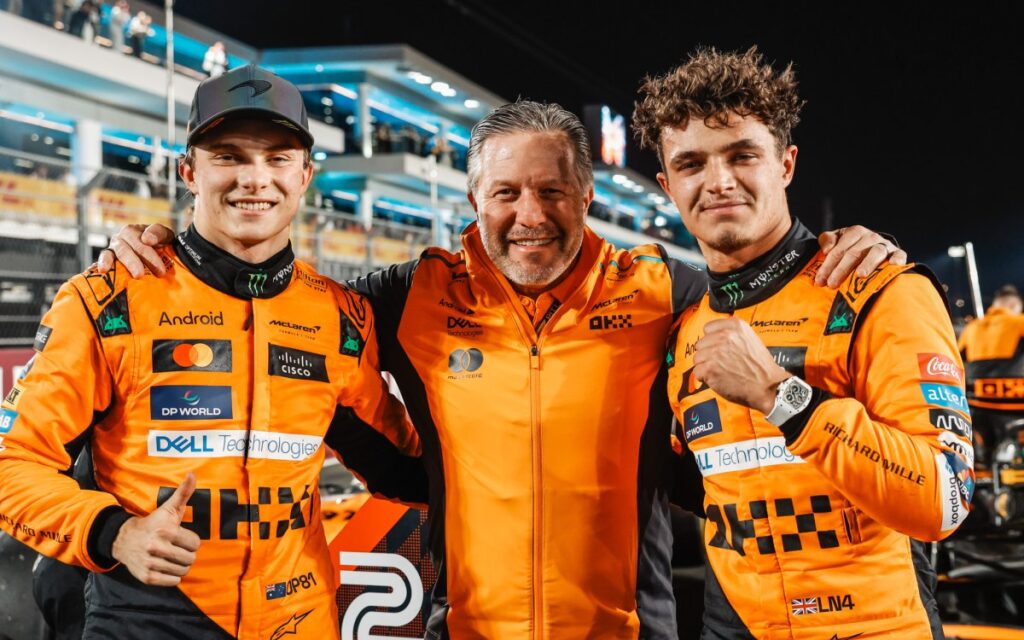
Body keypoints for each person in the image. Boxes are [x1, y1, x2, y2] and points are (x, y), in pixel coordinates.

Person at [101, 98, 901, 637]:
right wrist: (176, 253)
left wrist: (838, 250)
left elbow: (763, 279)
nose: (529, 216)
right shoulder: (411, 293)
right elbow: (279, 302)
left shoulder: (664, 290)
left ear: (586, 196)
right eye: (505, 193)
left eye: (551, 191)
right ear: (474, 200)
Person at [0, 64, 424, 640]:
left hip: (300, 620)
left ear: (304, 175)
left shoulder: (340, 315)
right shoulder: (106, 301)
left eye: (277, 158)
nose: (255, 178)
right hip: (146, 620)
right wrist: (115, 533)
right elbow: (13, 464)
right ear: (189, 172)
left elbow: (405, 469)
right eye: (228, 156)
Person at [633, 46, 974, 639]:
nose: (718, 181)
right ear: (667, 185)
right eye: (691, 164)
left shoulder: (879, 288)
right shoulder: (681, 330)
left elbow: (946, 498)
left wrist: (781, 396)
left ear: (786, 164)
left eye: (742, 155)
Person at [958, 284, 1024, 466]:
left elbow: (957, 360)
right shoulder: (1019, 322)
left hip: (976, 407)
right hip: (1015, 406)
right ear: (1013, 305)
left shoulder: (971, 328)